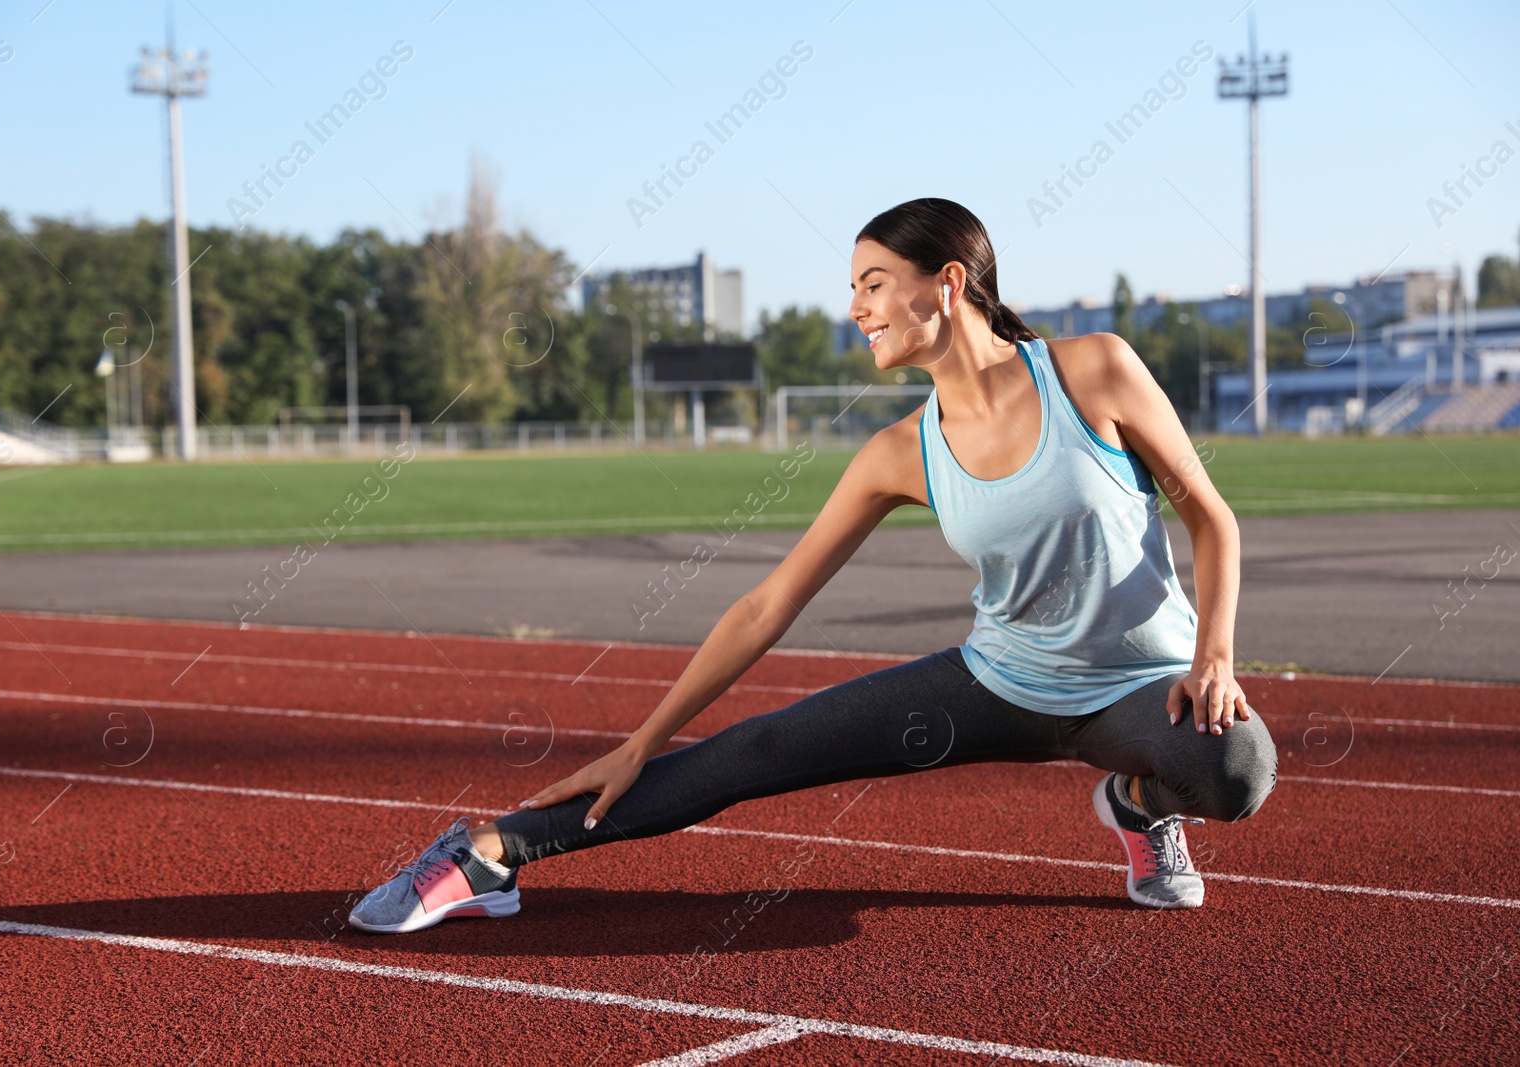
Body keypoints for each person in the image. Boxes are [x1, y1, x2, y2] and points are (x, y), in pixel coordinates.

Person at [349, 198, 1278, 934]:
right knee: (748, 755)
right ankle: (489, 855)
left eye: (875, 282)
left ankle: (1140, 803)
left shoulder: (1095, 371)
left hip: (1142, 688)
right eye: (855, 287)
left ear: (947, 283)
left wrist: (1216, 655)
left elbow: (1213, 518)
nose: (857, 306)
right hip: (997, 682)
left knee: (1234, 764)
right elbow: (769, 604)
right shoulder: (898, 452)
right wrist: (643, 737)